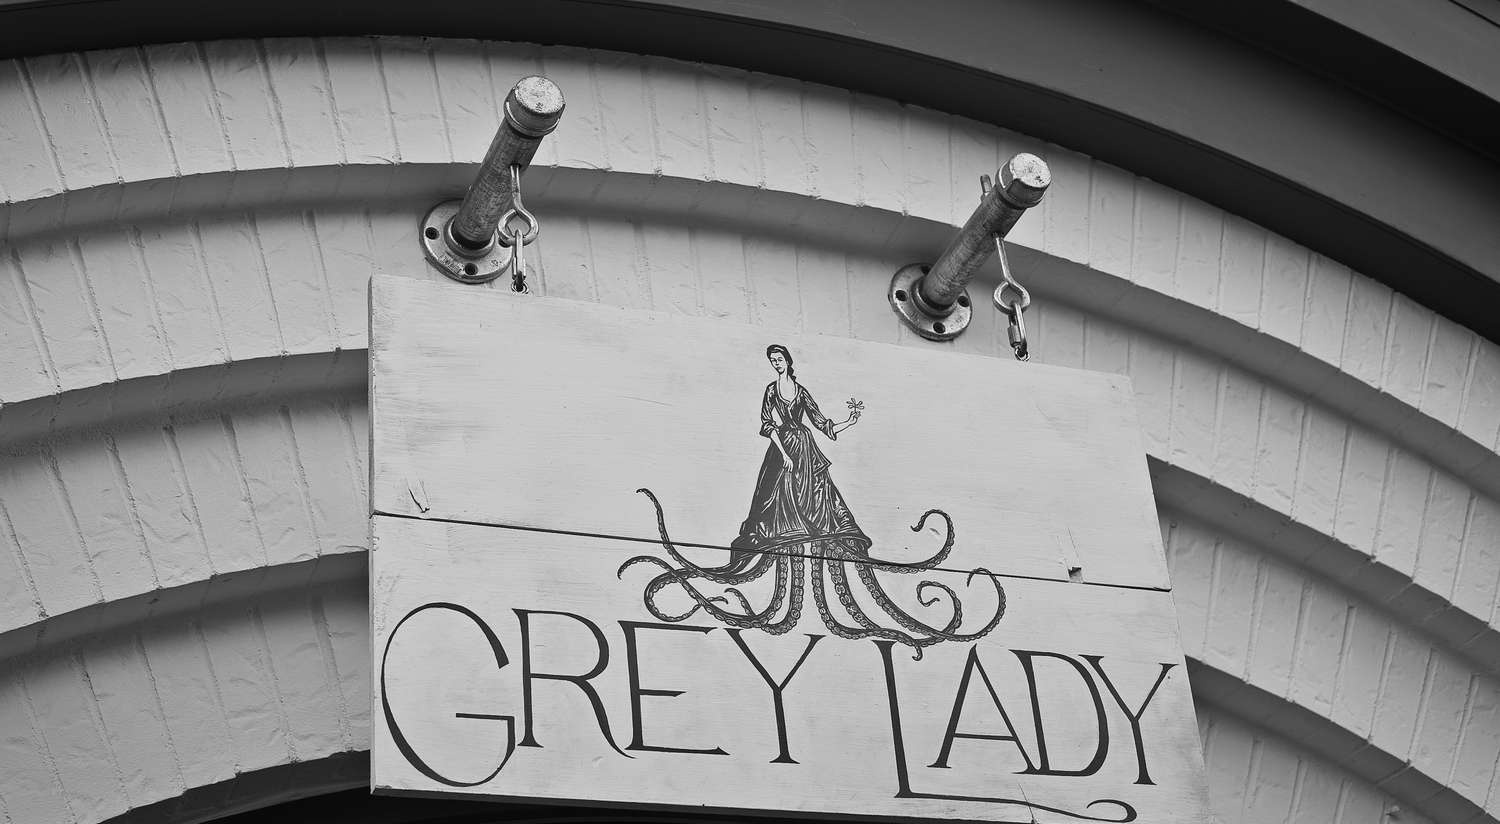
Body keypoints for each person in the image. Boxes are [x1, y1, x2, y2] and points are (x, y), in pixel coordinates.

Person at [731, 345, 866, 557]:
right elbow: (767, 422)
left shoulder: (801, 392)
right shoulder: (771, 390)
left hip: (804, 445)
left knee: (818, 485)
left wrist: (848, 422)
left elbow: (821, 423)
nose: (776, 363)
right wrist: (784, 454)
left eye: (779, 359)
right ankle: (783, 530)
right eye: (772, 360)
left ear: (787, 361)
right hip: (782, 443)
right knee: (773, 487)